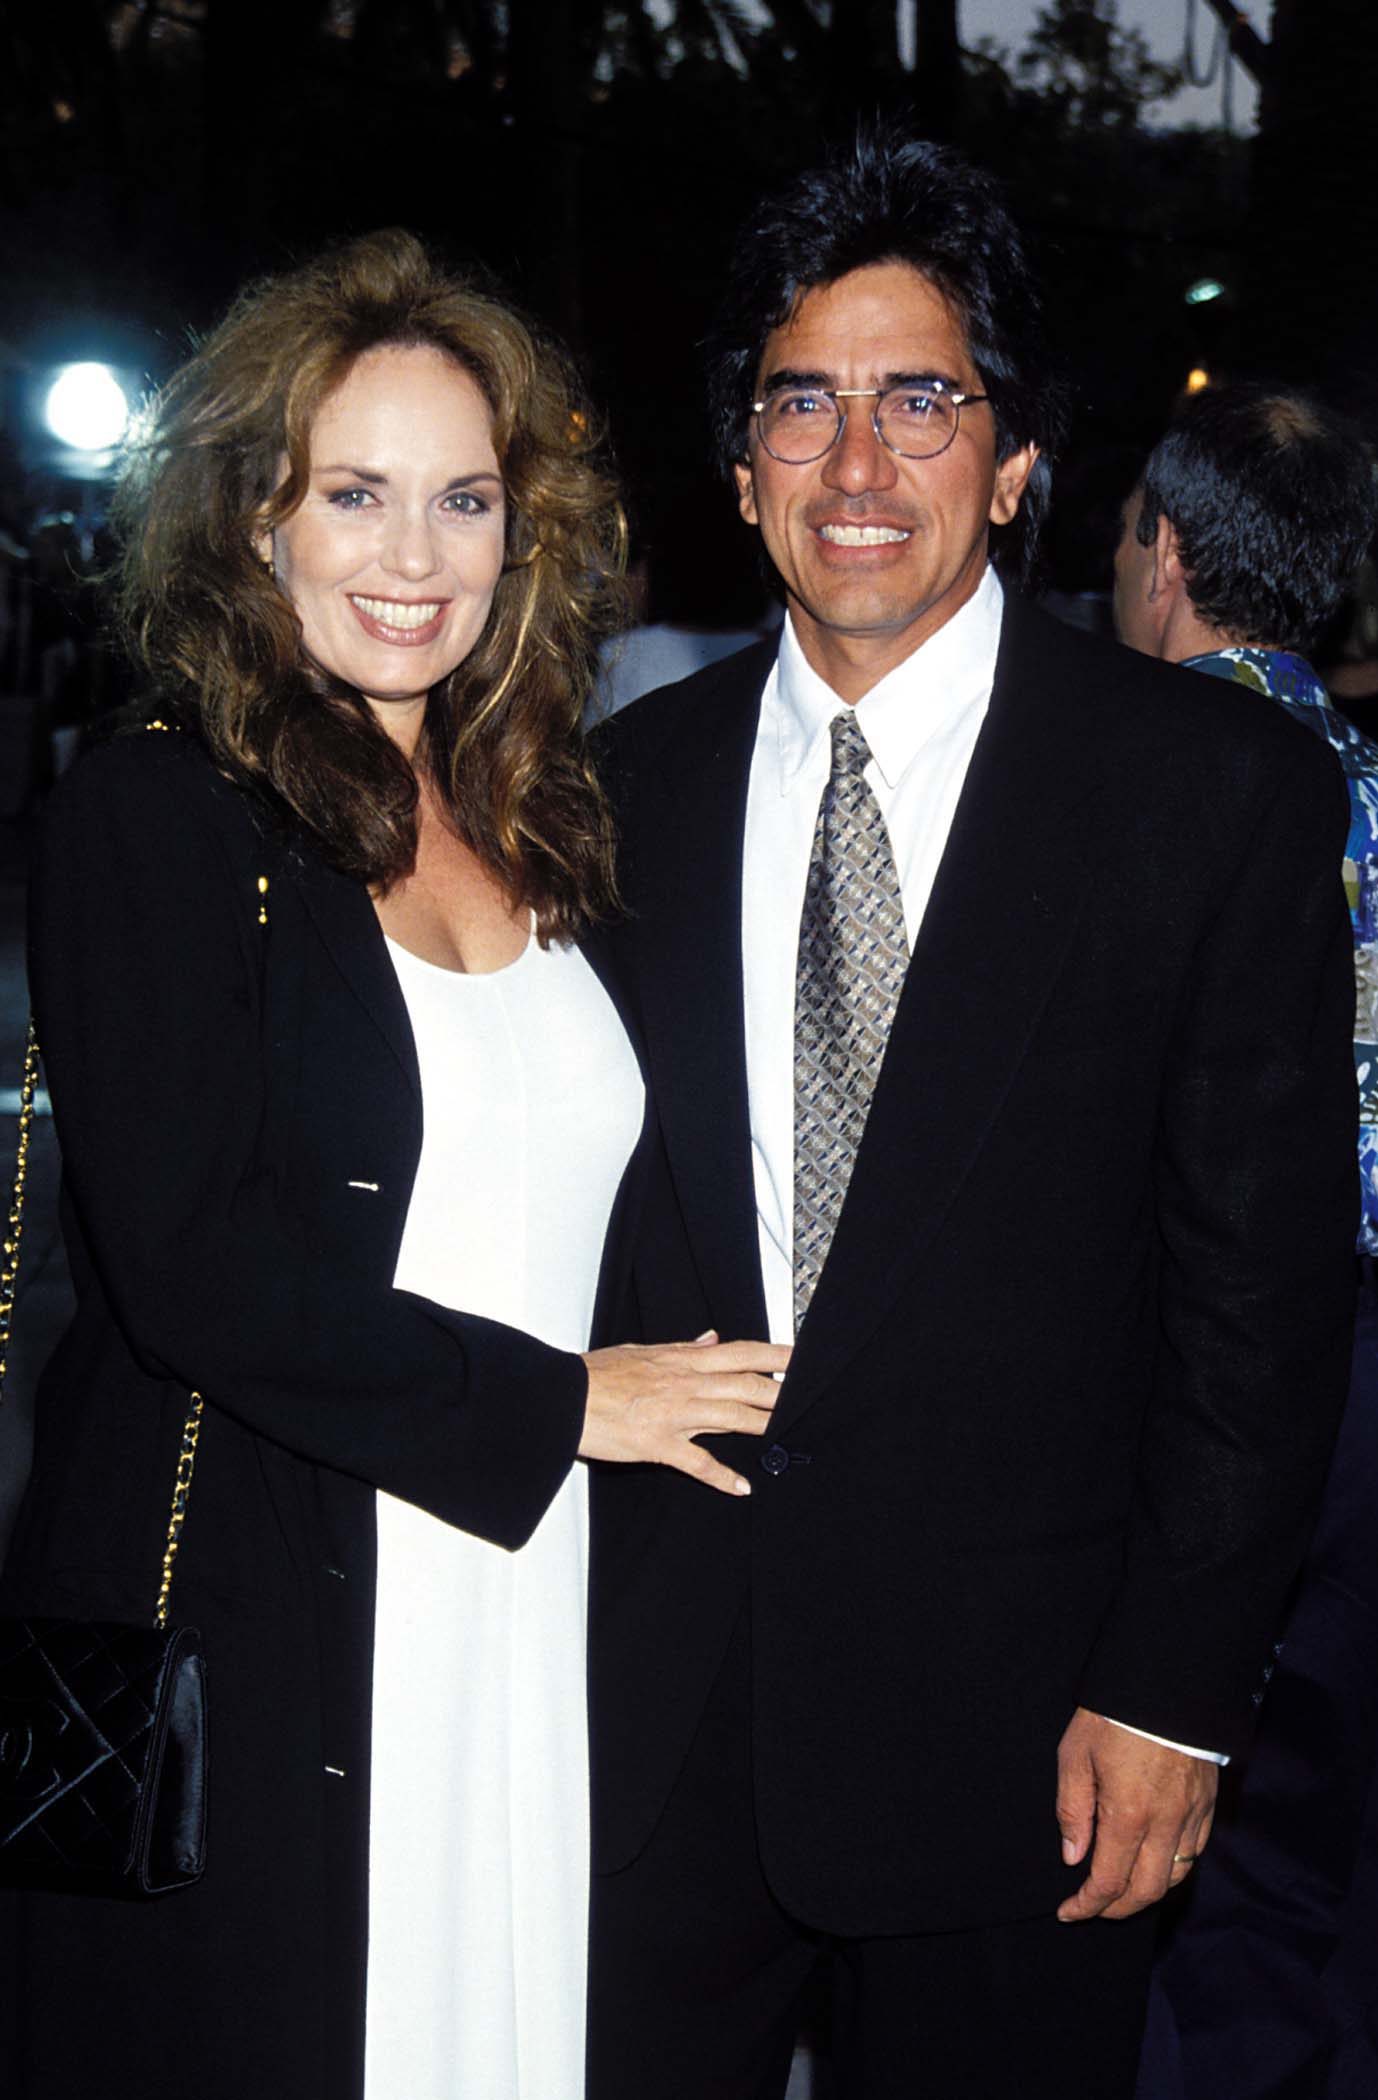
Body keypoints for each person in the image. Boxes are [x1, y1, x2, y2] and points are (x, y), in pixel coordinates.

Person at [584, 129, 1358, 2100]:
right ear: (739, 462)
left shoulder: (1205, 797)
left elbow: (1255, 1305)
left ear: (1013, 458)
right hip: (647, 1728)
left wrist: (1175, 1697)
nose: (858, 467)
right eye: (802, 405)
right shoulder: (607, 801)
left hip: (1033, 1750)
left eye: (919, 399)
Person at [0, 230, 787, 2100]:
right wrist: (559, 1405)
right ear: (251, 520)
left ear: (525, 532)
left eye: (462, 499)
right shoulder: (159, 814)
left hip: (523, 1600)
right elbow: (194, 1266)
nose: (412, 559)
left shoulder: (544, 821)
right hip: (289, 1614)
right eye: (351, 494)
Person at [1111, 380, 1378, 2100]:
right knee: (1306, 1838)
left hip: (1214, 1368)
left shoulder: (1150, 782)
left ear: (1168, 554)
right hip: (1367, 1376)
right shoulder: (1358, 769)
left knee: (1146, 1824)